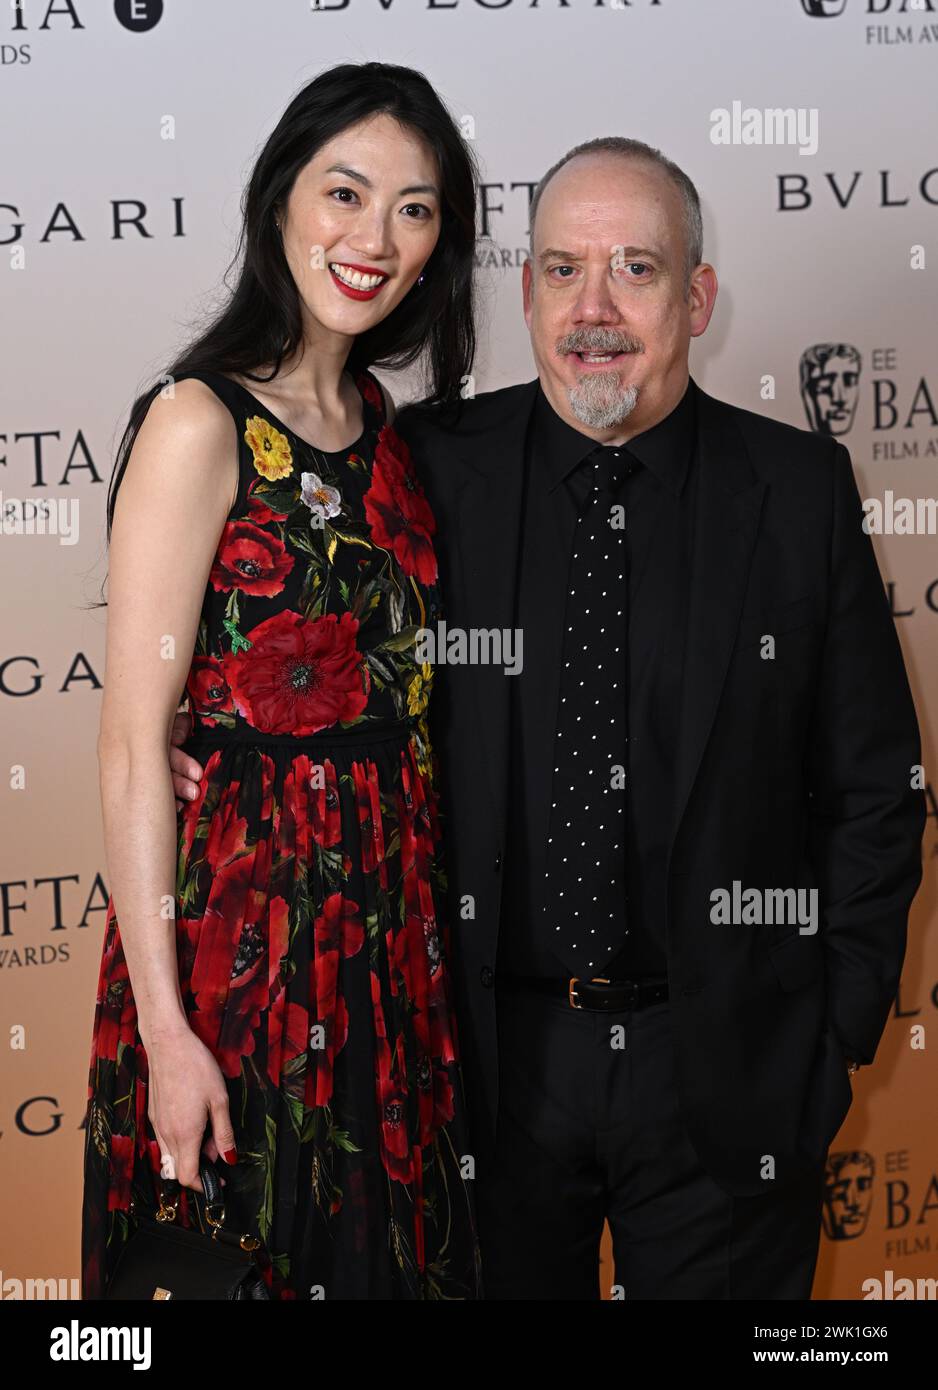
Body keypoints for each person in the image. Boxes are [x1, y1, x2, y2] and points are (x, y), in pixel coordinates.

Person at [171, 137, 926, 1299]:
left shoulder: (796, 491)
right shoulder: (425, 466)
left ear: (697, 296)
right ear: (522, 294)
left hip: (726, 1065)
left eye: (635, 267)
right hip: (477, 1070)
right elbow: (303, 646)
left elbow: (876, 791)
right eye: (562, 269)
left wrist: (827, 1041)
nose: (593, 308)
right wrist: (205, 727)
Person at [82, 61, 482, 1301]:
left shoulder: (390, 431)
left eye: (412, 209)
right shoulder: (199, 423)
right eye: (344, 192)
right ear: (276, 204)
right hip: (235, 954)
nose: (371, 238)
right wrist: (164, 1028)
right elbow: (133, 741)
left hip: (387, 946)